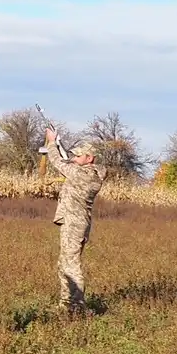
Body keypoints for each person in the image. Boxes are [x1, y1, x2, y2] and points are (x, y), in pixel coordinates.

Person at [43, 124, 108, 316]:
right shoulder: (87, 171)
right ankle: (66, 303)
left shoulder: (83, 174)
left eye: (79, 156)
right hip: (73, 222)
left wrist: (52, 143)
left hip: (75, 224)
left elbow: (57, 162)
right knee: (64, 263)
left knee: (71, 264)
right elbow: (67, 163)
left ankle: (78, 305)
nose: (74, 158)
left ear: (89, 158)